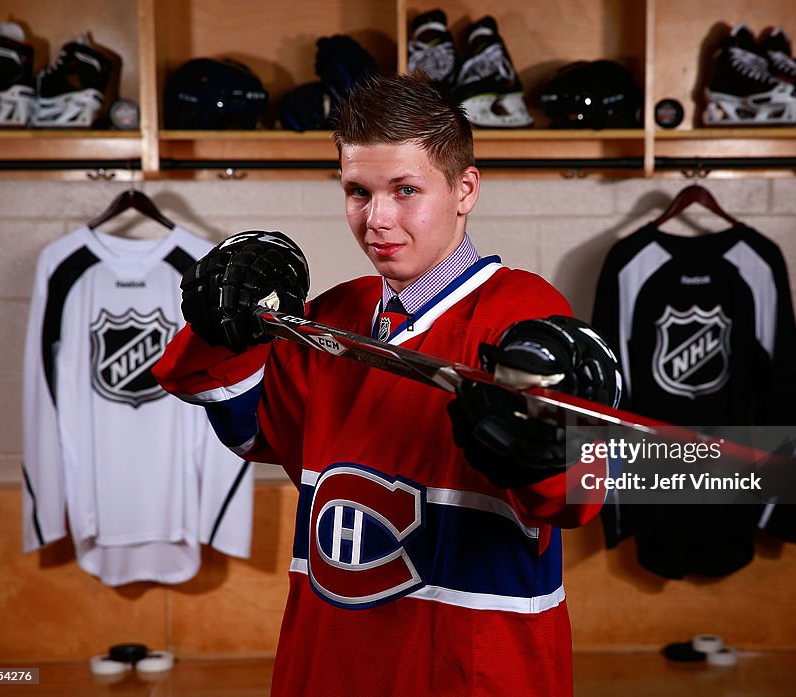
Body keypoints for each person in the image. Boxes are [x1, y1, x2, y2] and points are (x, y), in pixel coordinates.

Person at [153, 72, 621, 697]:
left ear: (465, 189)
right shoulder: (332, 318)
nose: (376, 219)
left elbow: (575, 499)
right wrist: (223, 324)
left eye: (405, 190)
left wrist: (546, 449)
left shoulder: (522, 314)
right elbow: (250, 429)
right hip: (330, 661)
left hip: (467, 670)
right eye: (357, 191)